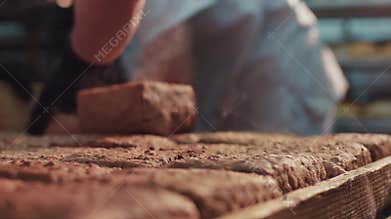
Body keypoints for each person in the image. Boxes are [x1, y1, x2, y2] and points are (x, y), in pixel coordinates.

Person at [27, 0, 348, 135]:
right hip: (237, 67)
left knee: (276, 195)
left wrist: (76, 73)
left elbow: (167, 97)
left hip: (272, 76)